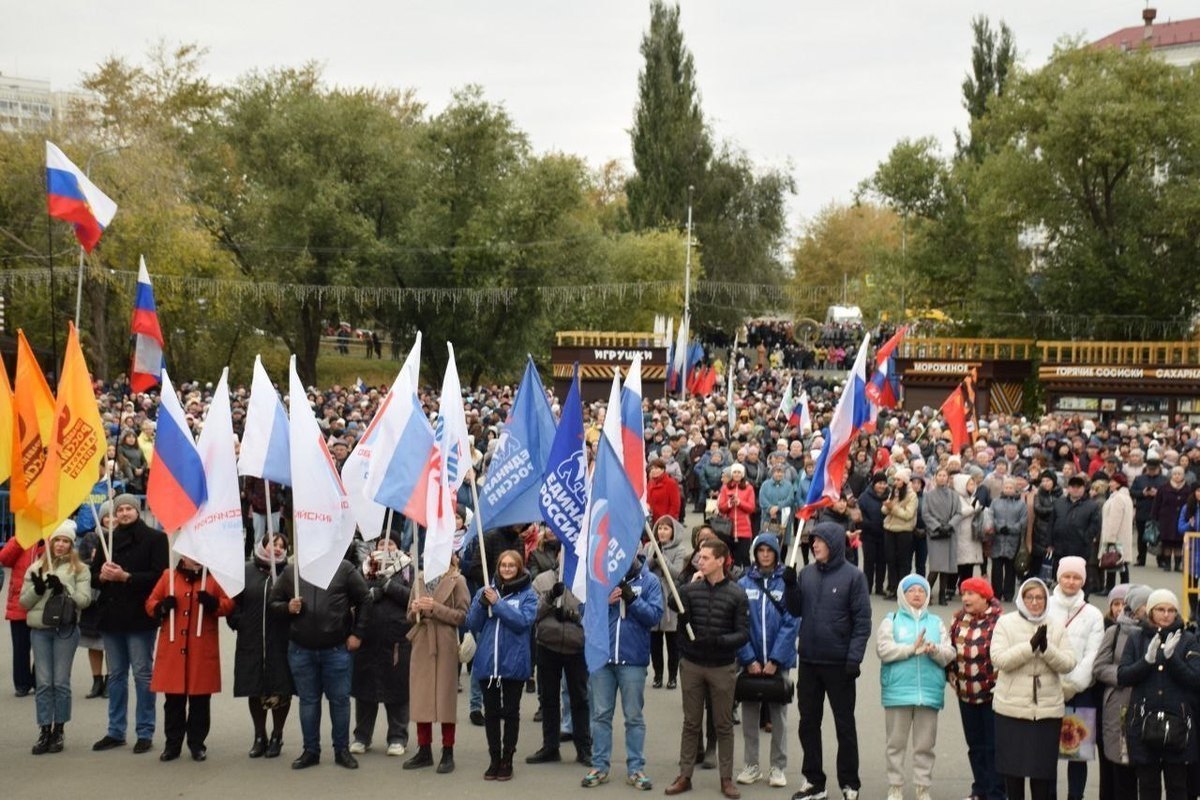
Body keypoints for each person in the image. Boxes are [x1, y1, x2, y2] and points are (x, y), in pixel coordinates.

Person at [781, 521, 872, 800]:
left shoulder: (854, 577)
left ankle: (849, 782)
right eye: (812, 540)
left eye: (819, 540)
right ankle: (814, 781)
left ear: (832, 544)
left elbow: (862, 622)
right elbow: (796, 610)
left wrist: (854, 658)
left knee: (844, 724)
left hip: (840, 664)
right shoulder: (807, 573)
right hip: (809, 660)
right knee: (808, 723)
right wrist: (791, 586)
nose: (814, 545)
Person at [269, 551, 372, 770]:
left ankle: (341, 750)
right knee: (308, 701)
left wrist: (358, 633)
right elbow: (273, 603)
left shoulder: (344, 568)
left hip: (336, 649)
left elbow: (365, 598)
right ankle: (310, 751)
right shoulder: (291, 571)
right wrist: (287, 607)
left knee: (340, 701)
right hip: (301, 649)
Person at [665, 539, 748, 800]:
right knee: (691, 723)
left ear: (721, 560)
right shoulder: (691, 589)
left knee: (723, 724)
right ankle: (684, 775)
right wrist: (689, 586)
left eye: (706, 558)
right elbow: (672, 603)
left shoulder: (736, 594)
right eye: (699, 557)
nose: (700, 561)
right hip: (691, 664)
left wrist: (720, 642)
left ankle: (726, 779)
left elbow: (743, 634)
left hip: (722, 667)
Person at [91, 493, 170, 754]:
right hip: (112, 617)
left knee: (142, 674)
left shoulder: (155, 539)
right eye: (120, 509)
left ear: (137, 511)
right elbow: (93, 578)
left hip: (140, 617)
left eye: (128, 509)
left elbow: (160, 577)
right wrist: (102, 577)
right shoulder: (107, 539)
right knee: (115, 676)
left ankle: (145, 731)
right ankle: (115, 730)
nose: (124, 513)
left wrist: (126, 577)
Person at [581, 552, 664, 791]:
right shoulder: (599, 579)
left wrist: (633, 601)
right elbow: (584, 612)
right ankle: (600, 766)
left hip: (633, 660)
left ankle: (636, 768)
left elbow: (655, 617)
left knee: (634, 717)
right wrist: (603, 602)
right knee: (600, 715)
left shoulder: (649, 581)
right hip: (602, 658)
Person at [991, 577, 1077, 800]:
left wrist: (1047, 650)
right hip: (1012, 709)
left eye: (1040, 597)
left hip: (1046, 711)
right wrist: (1029, 647)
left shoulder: (1055, 626)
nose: (1035, 602)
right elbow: (999, 659)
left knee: (1042, 775)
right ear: (1021, 598)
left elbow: (1068, 663)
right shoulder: (1006, 623)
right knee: (1013, 773)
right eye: (1030, 597)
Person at [145, 555, 235, 761]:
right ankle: (172, 745)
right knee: (173, 702)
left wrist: (214, 604)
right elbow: (150, 603)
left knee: (200, 701)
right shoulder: (169, 576)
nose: (195, 559)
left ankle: (197, 744)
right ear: (183, 557)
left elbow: (229, 604)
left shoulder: (213, 579)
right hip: (173, 648)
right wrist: (162, 607)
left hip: (201, 649)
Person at [876, 574, 954, 800]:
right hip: (897, 693)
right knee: (895, 744)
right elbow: (884, 650)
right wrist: (912, 648)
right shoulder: (891, 620)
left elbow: (949, 654)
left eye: (921, 590)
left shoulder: (936, 622)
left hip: (929, 693)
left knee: (925, 745)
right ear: (903, 594)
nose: (917, 594)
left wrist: (934, 650)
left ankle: (922, 788)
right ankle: (895, 786)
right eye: (911, 590)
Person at [1117, 588, 1198, 800]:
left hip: (1178, 724)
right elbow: (1123, 676)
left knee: (1177, 787)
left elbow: (1195, 679)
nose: (1166, 614)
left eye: (1171, 610)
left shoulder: (1187, 639)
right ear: (1151, 611)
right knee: (1148, 788)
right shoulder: (1136, 639)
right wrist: (1146, 661)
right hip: (1144, 723)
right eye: (1160, 609)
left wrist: (1173, 660)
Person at [19, 521, 92, 754]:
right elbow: (23, 602)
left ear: (71, 545)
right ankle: (44, 730)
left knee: (60, 682)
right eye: (57, 540)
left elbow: (85, 600)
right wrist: (37, 589)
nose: (60, 545)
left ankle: (59, 729)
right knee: (43, 682)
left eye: (65, 541)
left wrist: (63, 590)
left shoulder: (80, 569)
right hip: (40, 630)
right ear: (50, 544)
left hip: (65, 630)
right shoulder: (35, 568)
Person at [466, 548, 538, 781]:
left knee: (510, 712)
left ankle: (508, 759)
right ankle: (494, 758)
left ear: (519, 568)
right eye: (503, 565)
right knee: (492, 713)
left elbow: (523, 622)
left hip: (513, 662)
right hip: (489, 661)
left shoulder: (528, 594)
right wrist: (480, 603)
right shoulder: (486, 591)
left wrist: (498, 604)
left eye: (511, 565)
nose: (507, 569)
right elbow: (472, 623)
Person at [735, 533, 799, 790]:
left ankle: (777, 767)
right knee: (749, 714)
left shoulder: (786, 583)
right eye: (760, 550)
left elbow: (792, 621)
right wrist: (749, 658)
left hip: (777, 662)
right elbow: (738, 622)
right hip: (750, 661)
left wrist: (775, 659)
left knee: (778, 716)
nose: (764, 555)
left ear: (776, 553)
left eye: (769, 550)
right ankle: (751, 764)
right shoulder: (743, 583)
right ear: (754, 553)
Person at [526, 535, 591, 767]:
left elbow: (593, 614)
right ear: (558, 556)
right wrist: (551, 597)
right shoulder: (543, 580)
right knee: (550, 700)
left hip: (576, 647)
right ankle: (550, 747)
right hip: (548, 645)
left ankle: (584, 748)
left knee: (579, 699)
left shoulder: (586, 580)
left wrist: (573, 616)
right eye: (565, 554)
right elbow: (532, 613)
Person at [404, 550, 470, 774]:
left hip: (445, 642)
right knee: (422, 697)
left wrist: (435, 608)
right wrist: (414, 611)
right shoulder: (420, 579)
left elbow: (463, 616)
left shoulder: (457, 580)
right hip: (422, 641)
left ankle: (447, 751)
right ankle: (424, 750)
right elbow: (409, 616)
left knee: (445, 697)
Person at [228, 533, 293, 759]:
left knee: (280, 689)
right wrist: (238, 621)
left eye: (281, 545)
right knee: (254, 688)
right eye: (272, 544)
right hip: (251, 640)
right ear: (263, 545)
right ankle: (259, 736)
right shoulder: (247, 571)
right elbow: (233, 602)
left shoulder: (289, 573)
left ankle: (277, 735)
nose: (276, 548)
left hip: (280, 641)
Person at [1046, 556, 1105, 800]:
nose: (1071, 582)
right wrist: (1055, 682)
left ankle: (1075, 796)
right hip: (1047, 688)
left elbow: (1094, 654)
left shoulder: (1092, 614)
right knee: (1045, 752)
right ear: (1058, 577)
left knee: (1076, 751)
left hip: (1080, 690)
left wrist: (1073, 684)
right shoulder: (1044, 605)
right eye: (1067, 576)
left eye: (1076, 577)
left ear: (1083, 580)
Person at [350, 538, 413, 757]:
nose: (385, 548)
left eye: (391, 544)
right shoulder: (364, 569)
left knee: (397, 691)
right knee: (365, 691)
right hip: (367, 638)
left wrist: (388, 586)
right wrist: (371, 592)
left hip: (397, 639)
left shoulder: (408, 569)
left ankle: (397, 737)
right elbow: (354, 598)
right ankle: (362, 737)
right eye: (381, 544)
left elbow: (413, 599)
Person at [947, 577, 1005, 800]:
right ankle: (980, 789)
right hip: (965, 693)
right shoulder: (958, 620)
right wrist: (950, 673)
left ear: (985, 597)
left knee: (994, 746)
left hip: (992, 694)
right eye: (964, 593)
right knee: (975, 745)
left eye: (971, 594)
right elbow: (951, 649)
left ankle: (997, 792)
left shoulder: (1000, 621)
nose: (965, 598)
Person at [1092, 584, 1149, 800]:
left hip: (1146, 706)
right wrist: (1124, 675)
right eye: (1144, 604)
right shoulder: (1114, 631)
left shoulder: (1155, 632)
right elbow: (1099, 667)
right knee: (1118, 765)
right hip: (1118, 705)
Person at [643, 515, 689, 689]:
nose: (662, 532)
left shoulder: (680, 550)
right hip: (653, 599)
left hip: (670, 600)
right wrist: (652, 558)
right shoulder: (649, 547)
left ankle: (672, 676)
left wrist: (662, 558)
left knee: (672, 642)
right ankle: (658, 674)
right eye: (660, 528)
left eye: (666, 528)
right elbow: (642, 570)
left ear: (673, 531)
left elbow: (677, 573)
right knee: (655, 641)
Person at [0, 532, 41, 697]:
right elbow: (4, 558)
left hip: (43, 603)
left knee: (42, 647)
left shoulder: (53, 537)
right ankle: (22, 683)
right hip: (19, 601)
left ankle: (40, 681)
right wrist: (19, 540)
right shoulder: (19, 538)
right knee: (20, 647)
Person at [922, 469, 960, 606]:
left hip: (949, 533)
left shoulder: (954, 495)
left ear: (948, 478)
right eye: (940, 475)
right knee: (935, 567)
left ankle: (942, 595)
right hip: (935, 534)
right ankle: (925, 594)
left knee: (946, 568)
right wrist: (937, 526)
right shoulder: (929, 495)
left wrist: (950, 525)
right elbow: (925, 514)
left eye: (945, 475)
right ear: (935, 477)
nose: (942, 478)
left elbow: (958, 513)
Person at [881, 468, 918, 600]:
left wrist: (893, 508)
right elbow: (884, 510)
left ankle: (902, 589)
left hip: (904, 531)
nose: (896, 482)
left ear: (905, 481)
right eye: (895, 479)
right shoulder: (893, 492)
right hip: (890, 529)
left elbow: (908, 515)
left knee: (903, 561)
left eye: (898, 479)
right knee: (890, 560)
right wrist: (887, 506)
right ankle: (892, 587)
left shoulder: (911, 495)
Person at [989, 477, 1027, 602]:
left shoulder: (1021, 504)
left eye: (1011, 487)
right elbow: (990, 516)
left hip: (1013, 540)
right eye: (1006, 487)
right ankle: (996, 593)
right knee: (996, 569)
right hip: (997, 540)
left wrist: (1011, 528)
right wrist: (998, 527)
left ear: (1015, 489)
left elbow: (1023, 521)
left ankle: (1008, 593)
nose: (1008, 489)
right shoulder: (995, 502)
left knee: (1011, 569)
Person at [1151, 466, 1189, 572]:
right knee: (1166, 542)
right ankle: (1167, 564)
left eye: (1179, 474)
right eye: (1175, 474)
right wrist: (1154, 517)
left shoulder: (1188, 488)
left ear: (1183, 475)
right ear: (1171, 475)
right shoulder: (1164, 488)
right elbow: (1156, 503)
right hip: (1166, 519)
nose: (1177, 476)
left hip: (1181, 519)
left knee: (1178, 543)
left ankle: (1177, 565)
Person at [1100, 473, 1135, 590]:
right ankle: (1124, 587)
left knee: (1112, 560)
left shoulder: (1118, 498)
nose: (1110, 484)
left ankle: (1110, 587)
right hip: (1123, 536)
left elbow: (1114, 520)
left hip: (1116, 536)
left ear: (1119, 483)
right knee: (1121, 563)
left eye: (1112, 481)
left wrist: (1110, 538)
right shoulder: (1125, 497)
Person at [717, 464, 757, 566]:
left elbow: (751, 508)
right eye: (735, 472)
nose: (737, 474)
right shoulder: (725, 488)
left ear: (742, 474)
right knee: (732, 558)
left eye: (739, 472)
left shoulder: (749, 488)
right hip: (728, 529)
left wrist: (739, 502)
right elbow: (721, 507)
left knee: (744, 556)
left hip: (744, 530)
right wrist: (730, 503)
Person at [857, 472, 889, 596]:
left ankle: (880, 587)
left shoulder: (889, 496)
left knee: (882, 561)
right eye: (879, 483)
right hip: (869, 534)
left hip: (884, 534)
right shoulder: (864, 497)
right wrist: (869, 524)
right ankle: (868, 586)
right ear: (874, 484)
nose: (882, 486)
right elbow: (860, 515)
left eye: (884, 483)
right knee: (869, 562)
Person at [649, 458, 684, 526]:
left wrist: (668, 520)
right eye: (652, 468)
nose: (653, 470)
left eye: (656, 468)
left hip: (665, 521)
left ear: (663, 470)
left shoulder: (671, 483)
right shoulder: (650, 483)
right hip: (652, 521)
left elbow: (675, 505)